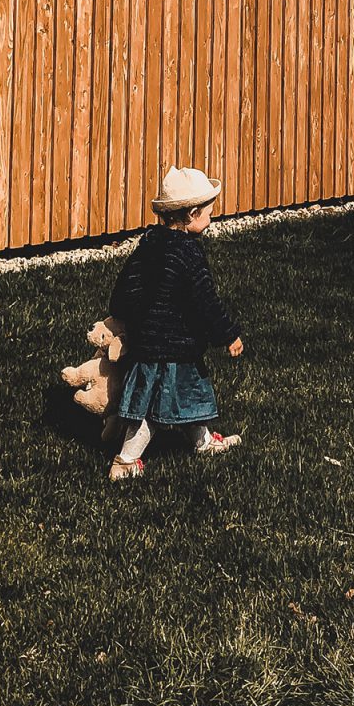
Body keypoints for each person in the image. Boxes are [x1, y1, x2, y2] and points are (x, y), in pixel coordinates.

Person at [107, 166, 244, 483]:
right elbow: (205, 301)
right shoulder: (189, 254)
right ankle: (125, 461)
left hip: (147, 342)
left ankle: (203, 441)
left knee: (186, 397)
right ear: (193, 215)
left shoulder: (149, 244)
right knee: (153, 408)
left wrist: (125, 315)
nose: (211, 219)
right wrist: (228, 334)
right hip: (174, 347)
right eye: (209, 213)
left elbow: (126, 288)